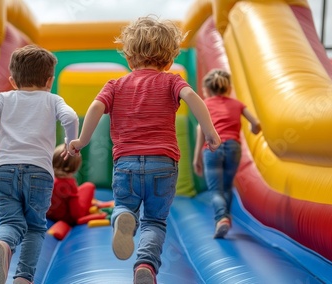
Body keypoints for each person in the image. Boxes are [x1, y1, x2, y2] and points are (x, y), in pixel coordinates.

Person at [67, 15, 221, 284]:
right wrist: (209, 131)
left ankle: (124, 217)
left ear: (128, 56)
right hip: (163, 164)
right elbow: (193, 98)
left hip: (126, 162)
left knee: (125, 205)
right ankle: (146, 266)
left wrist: (81, 140)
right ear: (169, 59)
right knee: (154, 221)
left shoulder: (115, 84)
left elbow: (95, 108)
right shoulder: (172, 81)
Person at [0, 44, 79, 284]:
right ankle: (23, 278)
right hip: (39, 172)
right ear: (50, 80)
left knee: (9, 222)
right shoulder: (52, 100)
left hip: (5, 171)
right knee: (35, 227)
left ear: (12, 80)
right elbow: (70, 117)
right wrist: (70, 143)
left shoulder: (4, 98)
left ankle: (2, 244)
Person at [193, 69, 261, 239]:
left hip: (212, 149)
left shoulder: (205, 104)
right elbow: (256, 123)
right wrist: (254, 129)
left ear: (207, 90)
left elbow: (201, 129)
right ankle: (225, 218)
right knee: (227, 187)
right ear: (228, 88)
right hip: (233, 148)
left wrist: (196, 159)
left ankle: (221, 218)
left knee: (216, 190)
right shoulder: (238, 104)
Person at [47, 144, 96, 226]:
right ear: (75, 166)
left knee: (81, 189)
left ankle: (94, 203)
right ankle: (94, 203)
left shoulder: (48, 178)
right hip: (67, 219)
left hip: (50, 215)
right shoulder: (69, 183)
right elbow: (76, 214)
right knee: (89, 186)